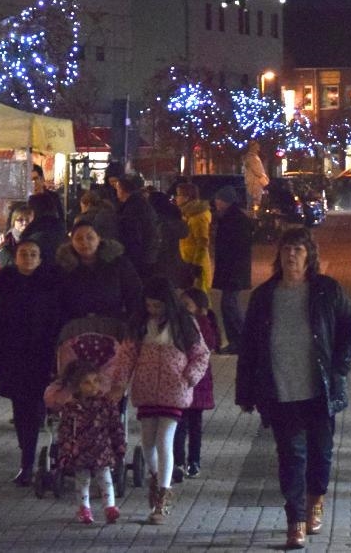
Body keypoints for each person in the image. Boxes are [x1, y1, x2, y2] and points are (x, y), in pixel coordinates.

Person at [235, 227, 351, 550]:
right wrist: (246, 390)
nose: (292, 255)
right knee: (291, 456)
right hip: (280, 391)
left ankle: (315, 501)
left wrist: (340, 365)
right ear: (279, 255)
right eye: (287, 249)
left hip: (320, 391)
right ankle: (296, 521)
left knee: (320, 454)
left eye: (299, 250)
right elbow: (249, 345)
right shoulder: (265, 295)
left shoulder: (326, 290)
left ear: (309, 256)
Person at [130, 275, 210, 522]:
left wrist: (189, 377)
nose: (152, 310)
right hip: (146, 390)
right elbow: (127, 354)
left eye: (157, 306)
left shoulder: (184, 324)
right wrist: (119, 381)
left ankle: (163, 495)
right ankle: (156, 477)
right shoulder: (141, 325)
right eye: (149, 305)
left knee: (164, 440)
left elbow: (201, 354)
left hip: (174, 391)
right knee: (147, 443)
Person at [0, 237, 62, 485]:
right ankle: (26, 455)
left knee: (38, 406)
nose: (28, 258)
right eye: (24, 254)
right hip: (14, 353)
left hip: (42, 353)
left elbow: (56, 320)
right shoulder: (5, 285)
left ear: (40, 259)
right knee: (21, 409)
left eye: (33, 254)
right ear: (16, 257)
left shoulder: (50, 286)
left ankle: (35, 461)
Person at [45, 357, 126, 525]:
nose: (93, 386)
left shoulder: (106, 404)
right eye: (87, 383)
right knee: (82, 480)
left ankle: (110, 507)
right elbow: (65, 431)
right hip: (80, 450)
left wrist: (119, 446)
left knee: (106, 478)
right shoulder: (71, 408)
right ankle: (84, 508)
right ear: (77, 386)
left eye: (96, 381)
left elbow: (115, 426)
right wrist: (66, 451)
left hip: (101, 449)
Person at [56, 217, 143, 324]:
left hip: (113, 324)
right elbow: (58, 302)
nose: (84, 242)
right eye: (79, 238)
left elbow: (135, 295)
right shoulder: (64, 267)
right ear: (71, 242)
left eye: (90, 237)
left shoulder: (118, 263)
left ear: (98, 239)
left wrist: (132, 324)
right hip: (76, 327)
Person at [173, 288, 219, 481]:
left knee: (193, 425)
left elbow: (208, 344)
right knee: (180, 424)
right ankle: (178, 462)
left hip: (197, 382)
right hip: (183, 380)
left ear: (199, 308)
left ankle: (193, 461)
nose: (183, 309)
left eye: (187, 305)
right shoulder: (178, 323)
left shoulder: (202, 323)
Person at [211, 187, 253, 351]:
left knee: (229, 305)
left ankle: (240, 341)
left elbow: (236, 248)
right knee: (228, 305)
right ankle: (237, 341)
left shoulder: (234, 219)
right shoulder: (231, 218)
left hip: (233, 270)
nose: (216, 202)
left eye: (218, 200)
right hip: (232, 269)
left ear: (225, 201)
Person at [114, 173, 163, 278]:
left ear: (122, 190)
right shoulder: (140, 203)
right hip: (147, 255)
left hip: (140, 257)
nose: (116, 193)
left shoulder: (132, 208)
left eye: (117, 189)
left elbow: (133, 235)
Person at [176, 181, 213, 292]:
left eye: (178, 195)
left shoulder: (197, 216)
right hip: (188, 262)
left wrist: (196, 266)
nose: (176, 198)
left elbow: (202, 243)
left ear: (187, 197)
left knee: (199, 300)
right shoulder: (187, 214)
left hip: (196, 265)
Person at [21, 189, 68, 262]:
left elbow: (24, 262)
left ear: (35, 211)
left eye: (30, 210)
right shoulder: (58, 228)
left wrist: (2, 251)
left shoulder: (36, 235)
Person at [0, 201, 33, 271]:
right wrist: (1, 249)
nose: (25, 223)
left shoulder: (34, 237)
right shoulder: (7, 240)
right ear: (14, 222)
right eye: (20, 220)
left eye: (28, 220)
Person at [243, 141, 270, 212]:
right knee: (253, 202)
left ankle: (256, 215)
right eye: (256, 147)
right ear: (252, 147)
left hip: (257, 184)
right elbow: (256, 170)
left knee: (257, 201)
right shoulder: (250, 157)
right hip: (253, 183)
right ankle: (253, 217)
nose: (258, 149)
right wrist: (264, 177)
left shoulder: (255, 157)